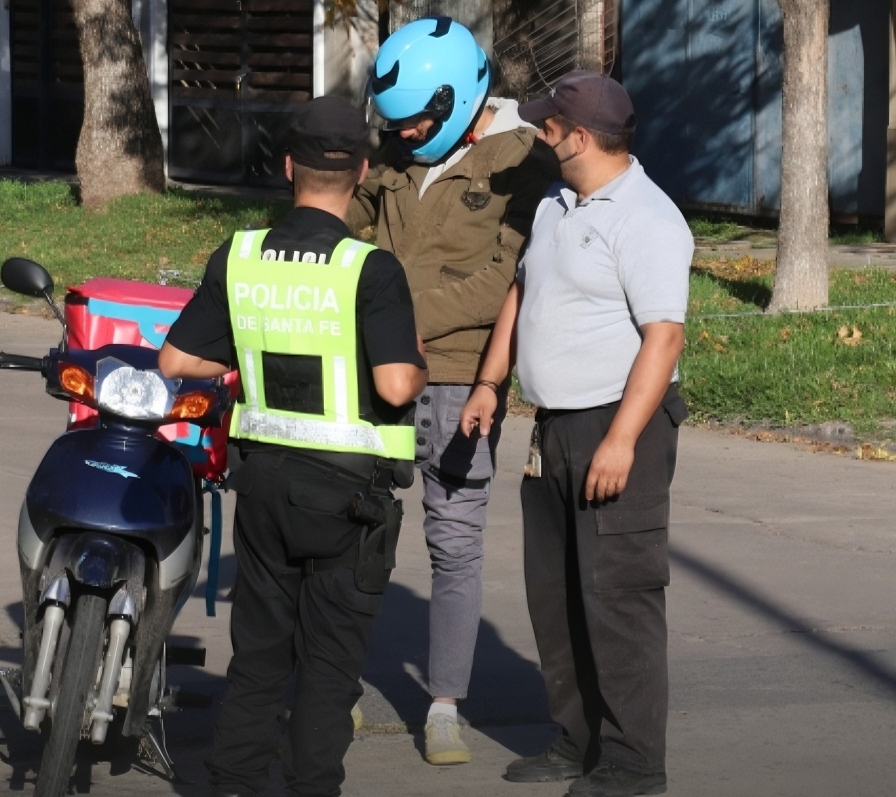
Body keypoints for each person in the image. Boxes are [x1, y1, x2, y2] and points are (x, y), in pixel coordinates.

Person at [158, 95, 427, 797]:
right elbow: (397, 384)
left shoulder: (240, 256)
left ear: (287, 167)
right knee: (330, 668)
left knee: (259, 657)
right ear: (363, 171)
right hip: (348, 500)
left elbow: (177, 362)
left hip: (265, 486)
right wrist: (418, 357)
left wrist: (247, 356)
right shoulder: (371, 270)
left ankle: (232, 783)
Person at [460, 71, 693, 797]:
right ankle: (577, 738)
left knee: (618, 598)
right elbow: (522, 291)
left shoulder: (649, 220)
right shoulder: (558, 204)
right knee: (555, 593)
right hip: (554, 426)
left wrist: (622, 440)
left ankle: (632, 768)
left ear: (581, 138)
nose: (539, 134)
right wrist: (489, 382)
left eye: (549, 127)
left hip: (618, 423)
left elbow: (664, 338)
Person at [348, 15, 560, 766]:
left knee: (453, 538)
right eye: (395, 126)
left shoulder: (524, 164)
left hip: (457, 375)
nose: (403, 138)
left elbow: (498, 285)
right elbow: (352, 220)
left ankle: (444, 703)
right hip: (369, 368)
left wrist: (384, 315)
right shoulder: (396, 146)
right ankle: (335, 680)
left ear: (459, 96)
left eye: (415, 125)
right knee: (346, 525)